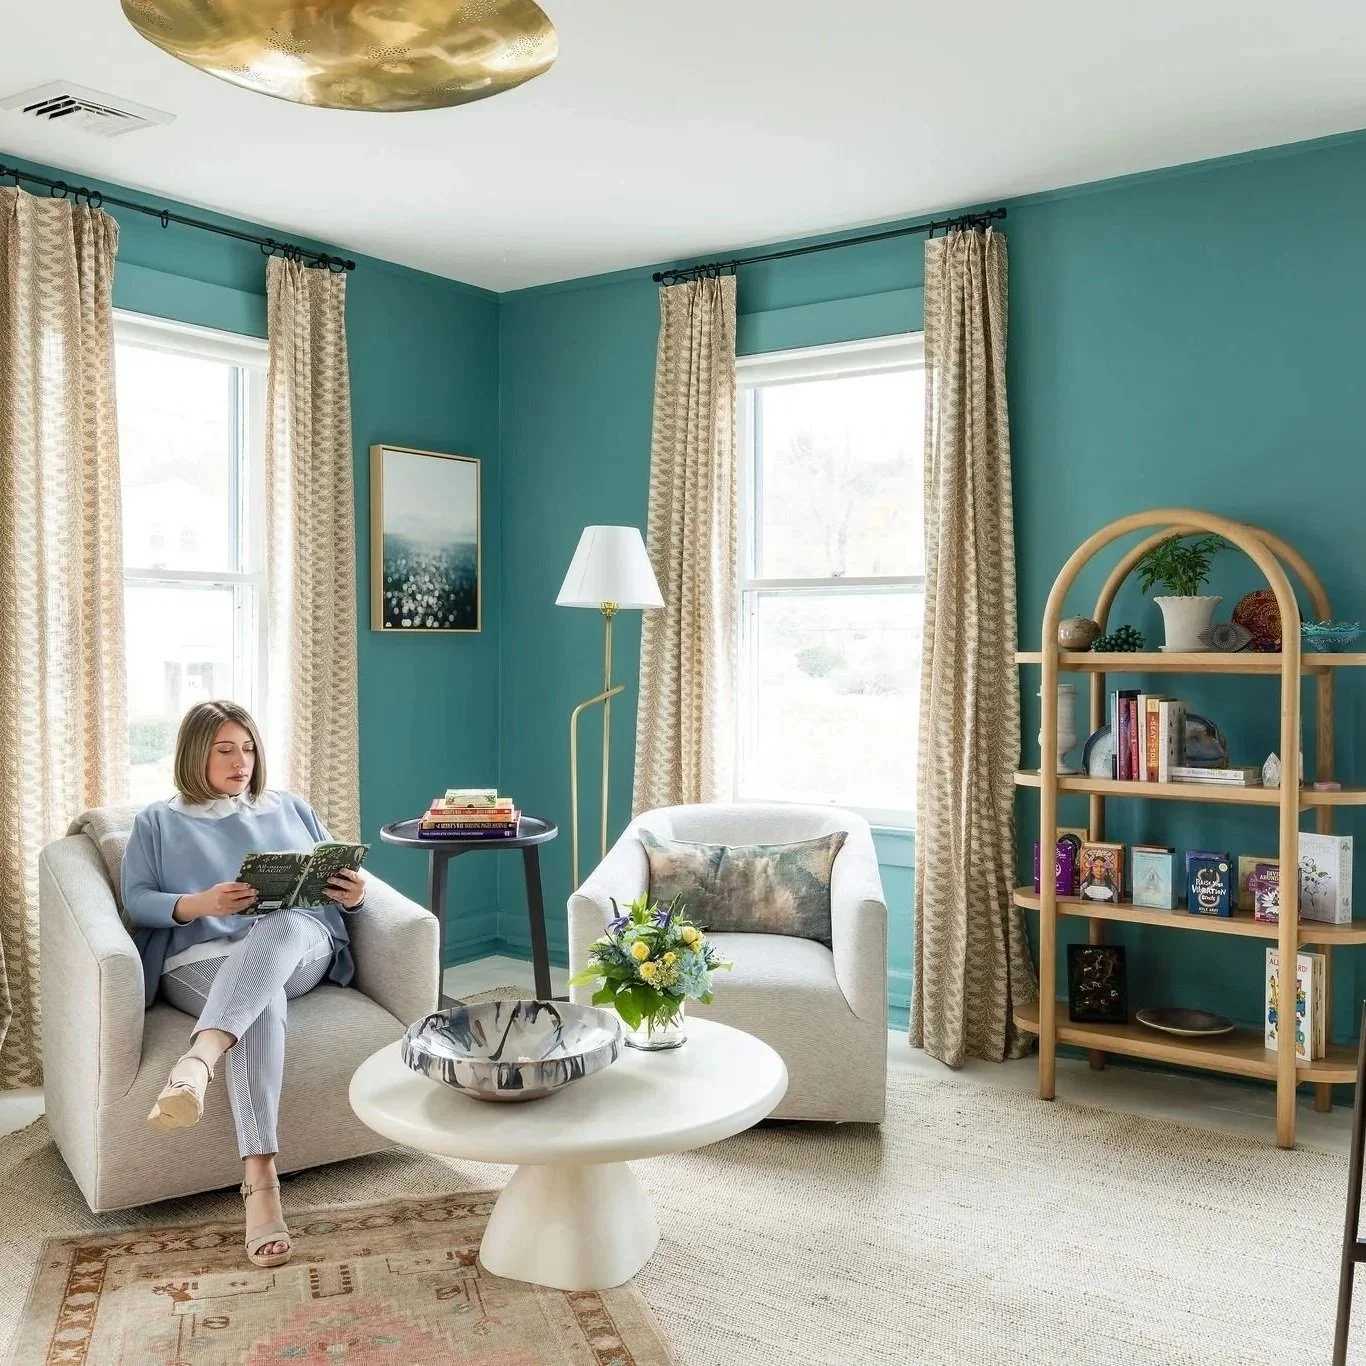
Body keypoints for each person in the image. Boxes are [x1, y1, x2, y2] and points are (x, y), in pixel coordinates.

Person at [122, 700, 366, 1268]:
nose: (241, 762)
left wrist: (357, 895)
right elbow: (136, 901)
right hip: (199, 963)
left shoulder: (291, 807)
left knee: (280, 925)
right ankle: (261, 1182)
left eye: (249, 748)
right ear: (194, 754)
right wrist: (200, 902)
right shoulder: (157, 822)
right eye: (225, 749)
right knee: (263, 1001)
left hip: (298, 946)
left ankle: (199, 1060)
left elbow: (342, 878)